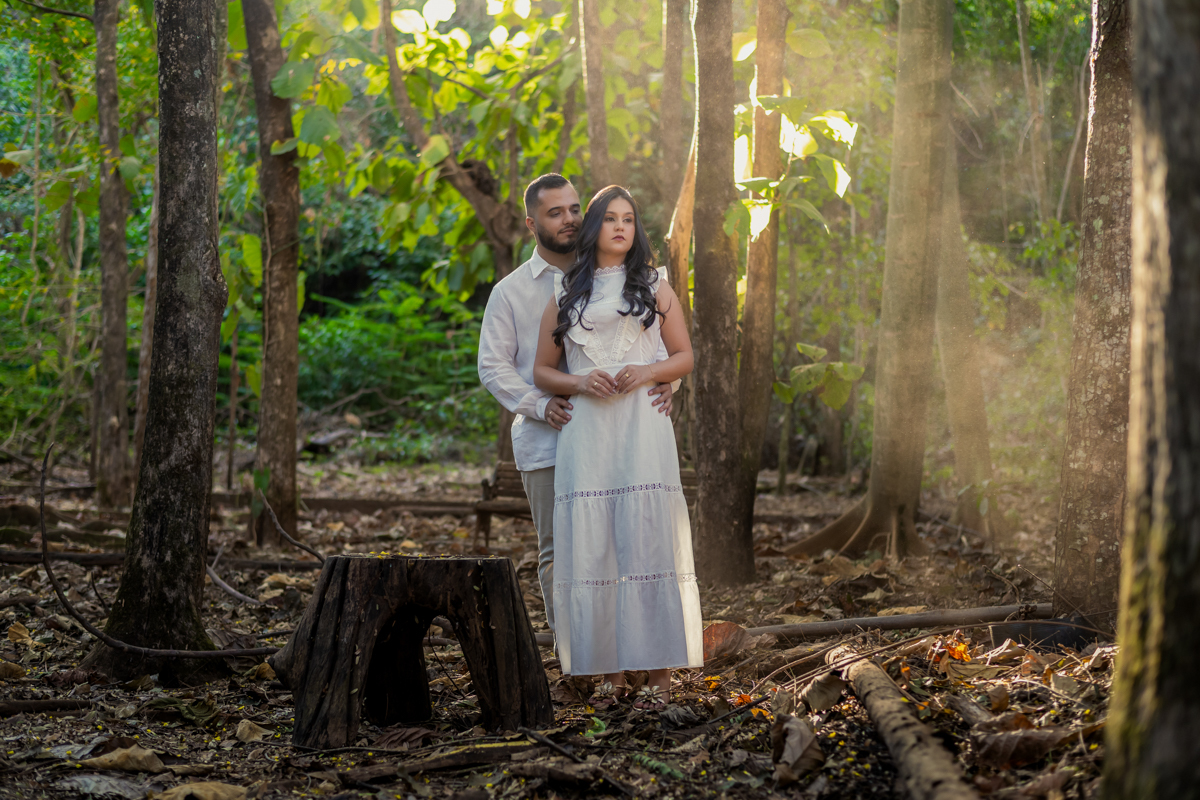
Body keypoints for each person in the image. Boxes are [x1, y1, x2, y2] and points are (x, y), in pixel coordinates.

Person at [477, 174, 675, 642]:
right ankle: (576, 657)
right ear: (531, 223)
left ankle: (619, 653)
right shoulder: (512, 292)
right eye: (555, 212)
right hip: (548, 437)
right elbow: (492, 366)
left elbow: (653, 344)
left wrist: (670, 380)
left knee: (619, 545)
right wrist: (542, 405)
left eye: (573, 209)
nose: (569, 219)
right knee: (561, 550)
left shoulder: (619, 277)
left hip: (619, 432)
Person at [532, 185, 703, 710]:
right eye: (610, 219)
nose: (621, 227)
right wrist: (579, 383)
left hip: (641, 429)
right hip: (587, 435)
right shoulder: (565, 294)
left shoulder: (656, 286)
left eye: (629, 219)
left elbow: (684, 356)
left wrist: (649, 372)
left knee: (646, 539)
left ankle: (658, 680)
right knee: (594, 544)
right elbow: (541, 370)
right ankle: (608, 674)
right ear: (594, 229)